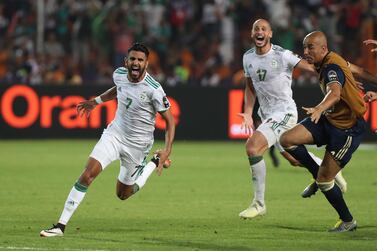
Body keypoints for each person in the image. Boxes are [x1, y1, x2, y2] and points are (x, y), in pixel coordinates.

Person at [40, 43, 175, 237]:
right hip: (115, 135)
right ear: (126, 61)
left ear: (146, 63)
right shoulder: (119, 74)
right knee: (87, 175)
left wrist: (167, 150)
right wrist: (95, 102)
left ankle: (152, 164)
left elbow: (169, 120)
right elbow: (117, 89)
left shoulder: (154, 89)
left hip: (138, 146)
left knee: (123, 194)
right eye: (133, 59)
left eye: (140, 60)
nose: (136, 63)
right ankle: (60, 226)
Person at [237, 19, 347, 219]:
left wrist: (339, 75)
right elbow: (250, 87)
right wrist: (247, 111)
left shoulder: (282, 55)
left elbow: (314, 67)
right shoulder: (248, 58)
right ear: (252, 34)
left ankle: (258, 204)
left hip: (284, 111)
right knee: (294, 159)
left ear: (270, 34)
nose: (259, 32)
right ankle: (328, 169)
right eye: (256, 29)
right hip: (267, 114)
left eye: (263, 29)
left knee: (253, 147)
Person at [279, 31, 373, 232]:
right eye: (304, 47)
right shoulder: (333, 60)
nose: (305, 51)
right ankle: (316, 171)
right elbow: (358, 70)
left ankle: (348, 221)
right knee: (287, 140)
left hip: (347, 129)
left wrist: (320, 107)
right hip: (329, 119)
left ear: (323, 48)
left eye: (310, 47)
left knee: (325, 181)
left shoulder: (331, 66)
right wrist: (348, 79)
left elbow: (335, 93)